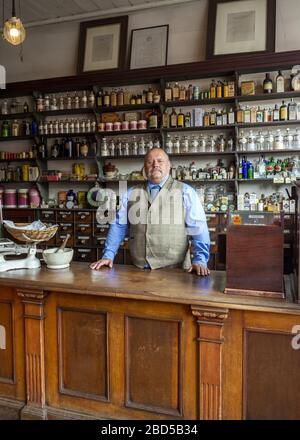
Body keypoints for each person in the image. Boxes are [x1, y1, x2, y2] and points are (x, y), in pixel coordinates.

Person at [90, 148, 210, 276]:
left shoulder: (186, 191)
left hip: (176, 272)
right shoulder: (130, 193)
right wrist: (108, 255)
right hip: (138, 269)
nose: (155, 165)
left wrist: (200, 259)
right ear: (144, 168)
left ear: (169, 165)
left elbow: (198, 227)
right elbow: (119, 225)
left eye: (160, 161)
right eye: (149, 162)